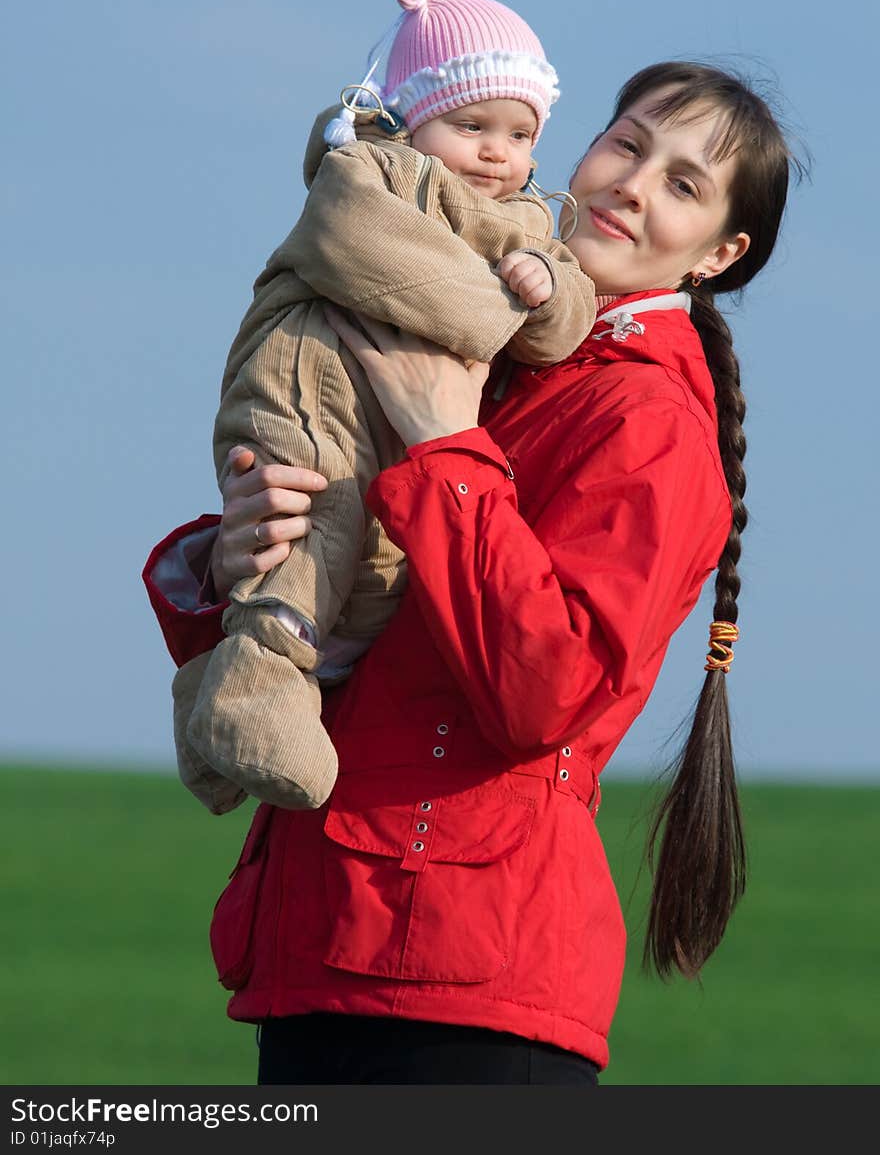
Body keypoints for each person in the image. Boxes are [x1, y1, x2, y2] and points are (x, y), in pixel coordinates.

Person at [143, 60, 801, 1084]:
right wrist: (231, 556)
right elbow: (364, 617)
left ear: (720, 253)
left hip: (456, 980)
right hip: (335, 945)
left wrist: (443, 439)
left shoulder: (650, 423)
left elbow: (545, 690)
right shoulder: (494, 347)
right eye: (626, 144)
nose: (632, 183)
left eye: (682, 183)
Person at [176, 0, 596, 817]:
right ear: (412, 118)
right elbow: (365, 248)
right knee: (312, 523)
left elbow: (563, 323)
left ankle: (218, 721)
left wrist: (546, 285)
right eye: (470, 126)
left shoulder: (526, 221)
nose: (494, 153)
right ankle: (254, 685)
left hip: (390, 421)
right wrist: (498, 309)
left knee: (377, 573)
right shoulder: (364, 169)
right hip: (309, 382)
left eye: (519, 135)